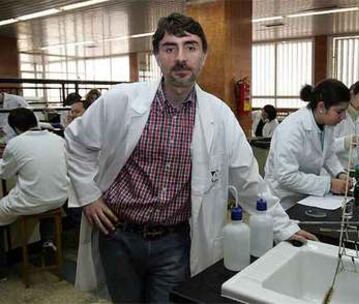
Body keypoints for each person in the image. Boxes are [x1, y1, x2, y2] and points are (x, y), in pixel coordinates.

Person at [65, 12, 315, 304]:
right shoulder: (121, 100)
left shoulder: (219, 115)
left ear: (204, 55)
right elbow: (76, 140)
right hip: (118, 235)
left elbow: (248, 180)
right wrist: (88, 196)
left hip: (175, 241)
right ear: (157, 56)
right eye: (170, 48)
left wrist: (286, 229)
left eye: (191, 47)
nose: (181, 57)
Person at [0, 108, 69, 278]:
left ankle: (1, 270)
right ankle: (48, 241)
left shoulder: (15, 144)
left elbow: (4, 173)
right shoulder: (57, 139)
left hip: (32, 201)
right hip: (60, 198)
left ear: (15, 128)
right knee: (45, 201)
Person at [265, 79, 351, 210]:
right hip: (282, 202)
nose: (344, 117)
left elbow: (328, 154)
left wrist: (340, 174)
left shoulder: (326, 125)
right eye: (339, 112)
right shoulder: (292, 128)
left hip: (306, 197)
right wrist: (329, 184)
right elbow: (286, 175)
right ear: (321, 107)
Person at [333, 80, 359, 169]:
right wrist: (348, 141)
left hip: (353, 169)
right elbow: (326, 146)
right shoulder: (337, 116)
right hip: (337, 169)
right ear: (352, 94)